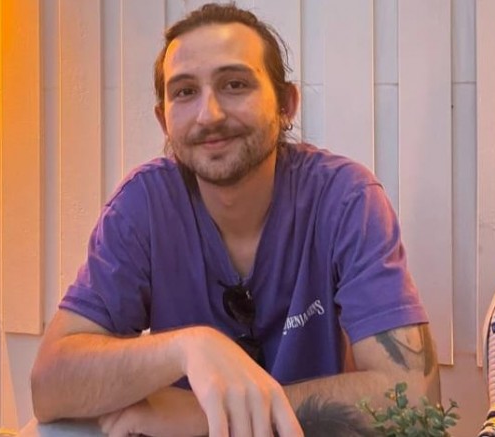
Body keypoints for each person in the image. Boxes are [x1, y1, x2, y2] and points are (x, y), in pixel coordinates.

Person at [30, 3, 441, 436]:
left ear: (286, 105)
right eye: (184, 92)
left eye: (234, 84)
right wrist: (187, 348)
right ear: (164, 121)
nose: (209, 114)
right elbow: (49, 385)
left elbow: (416, 399)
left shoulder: (346, 199)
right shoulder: (143, 206)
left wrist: (205, 414)